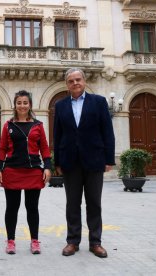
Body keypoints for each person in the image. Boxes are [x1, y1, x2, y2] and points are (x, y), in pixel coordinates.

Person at [53, 67, 115, 258]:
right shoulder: (60, 105)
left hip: (94, 160)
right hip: (70, 161)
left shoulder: (99, 102)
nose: (75, 83)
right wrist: (58, 161)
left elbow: (107, 132)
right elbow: (57, 134)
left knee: (94, 202)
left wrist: (109, 159)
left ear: (84, 81)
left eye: (78, 79)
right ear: (67, 84)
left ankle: (95, 242)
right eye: (71, 81)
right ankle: (72, 241)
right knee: (72, 203)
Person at [0, 90, 51, 255]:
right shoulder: (8, 125)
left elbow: (44, 148)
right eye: (19, 103)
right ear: (15, 105)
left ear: (30, 105)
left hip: (34, 170)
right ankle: (11, 241)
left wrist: (47, 166)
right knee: (12, 208)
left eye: (25, 103)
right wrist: (0, 168)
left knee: (32, 207)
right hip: (12, 171)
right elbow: (2, 148)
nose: (22, 106)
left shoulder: (38, 125)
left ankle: (34, 241)